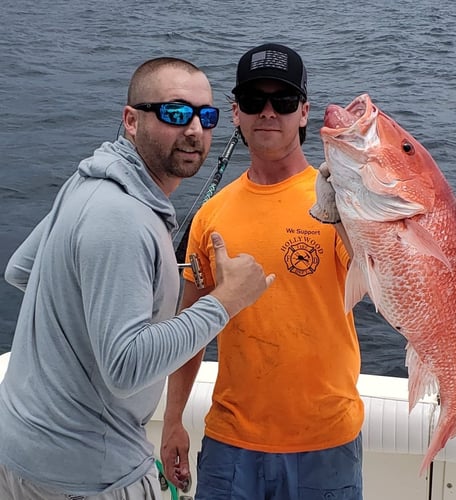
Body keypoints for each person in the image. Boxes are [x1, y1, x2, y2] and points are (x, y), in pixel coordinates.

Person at [0, 57, 274, 500]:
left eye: (207, 117)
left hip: (21, 454)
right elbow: (126, 368)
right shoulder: (124, 218)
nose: (194, 130)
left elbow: (22, 269)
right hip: (88, 476)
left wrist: (126, 283)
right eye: (174, 113)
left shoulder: (87, 179)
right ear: (131, 120)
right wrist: (225, 301)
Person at [161, 43, 364, 499]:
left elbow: (377, 283)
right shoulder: (211, 216)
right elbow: (189, 331)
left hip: (327, 442)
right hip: (231, 445)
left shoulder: (339, 203)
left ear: (305, 113)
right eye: (254, 102)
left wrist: (355, 203)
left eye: (284, 101)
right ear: (235, 114)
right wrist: (173, 420)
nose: (268, 113)